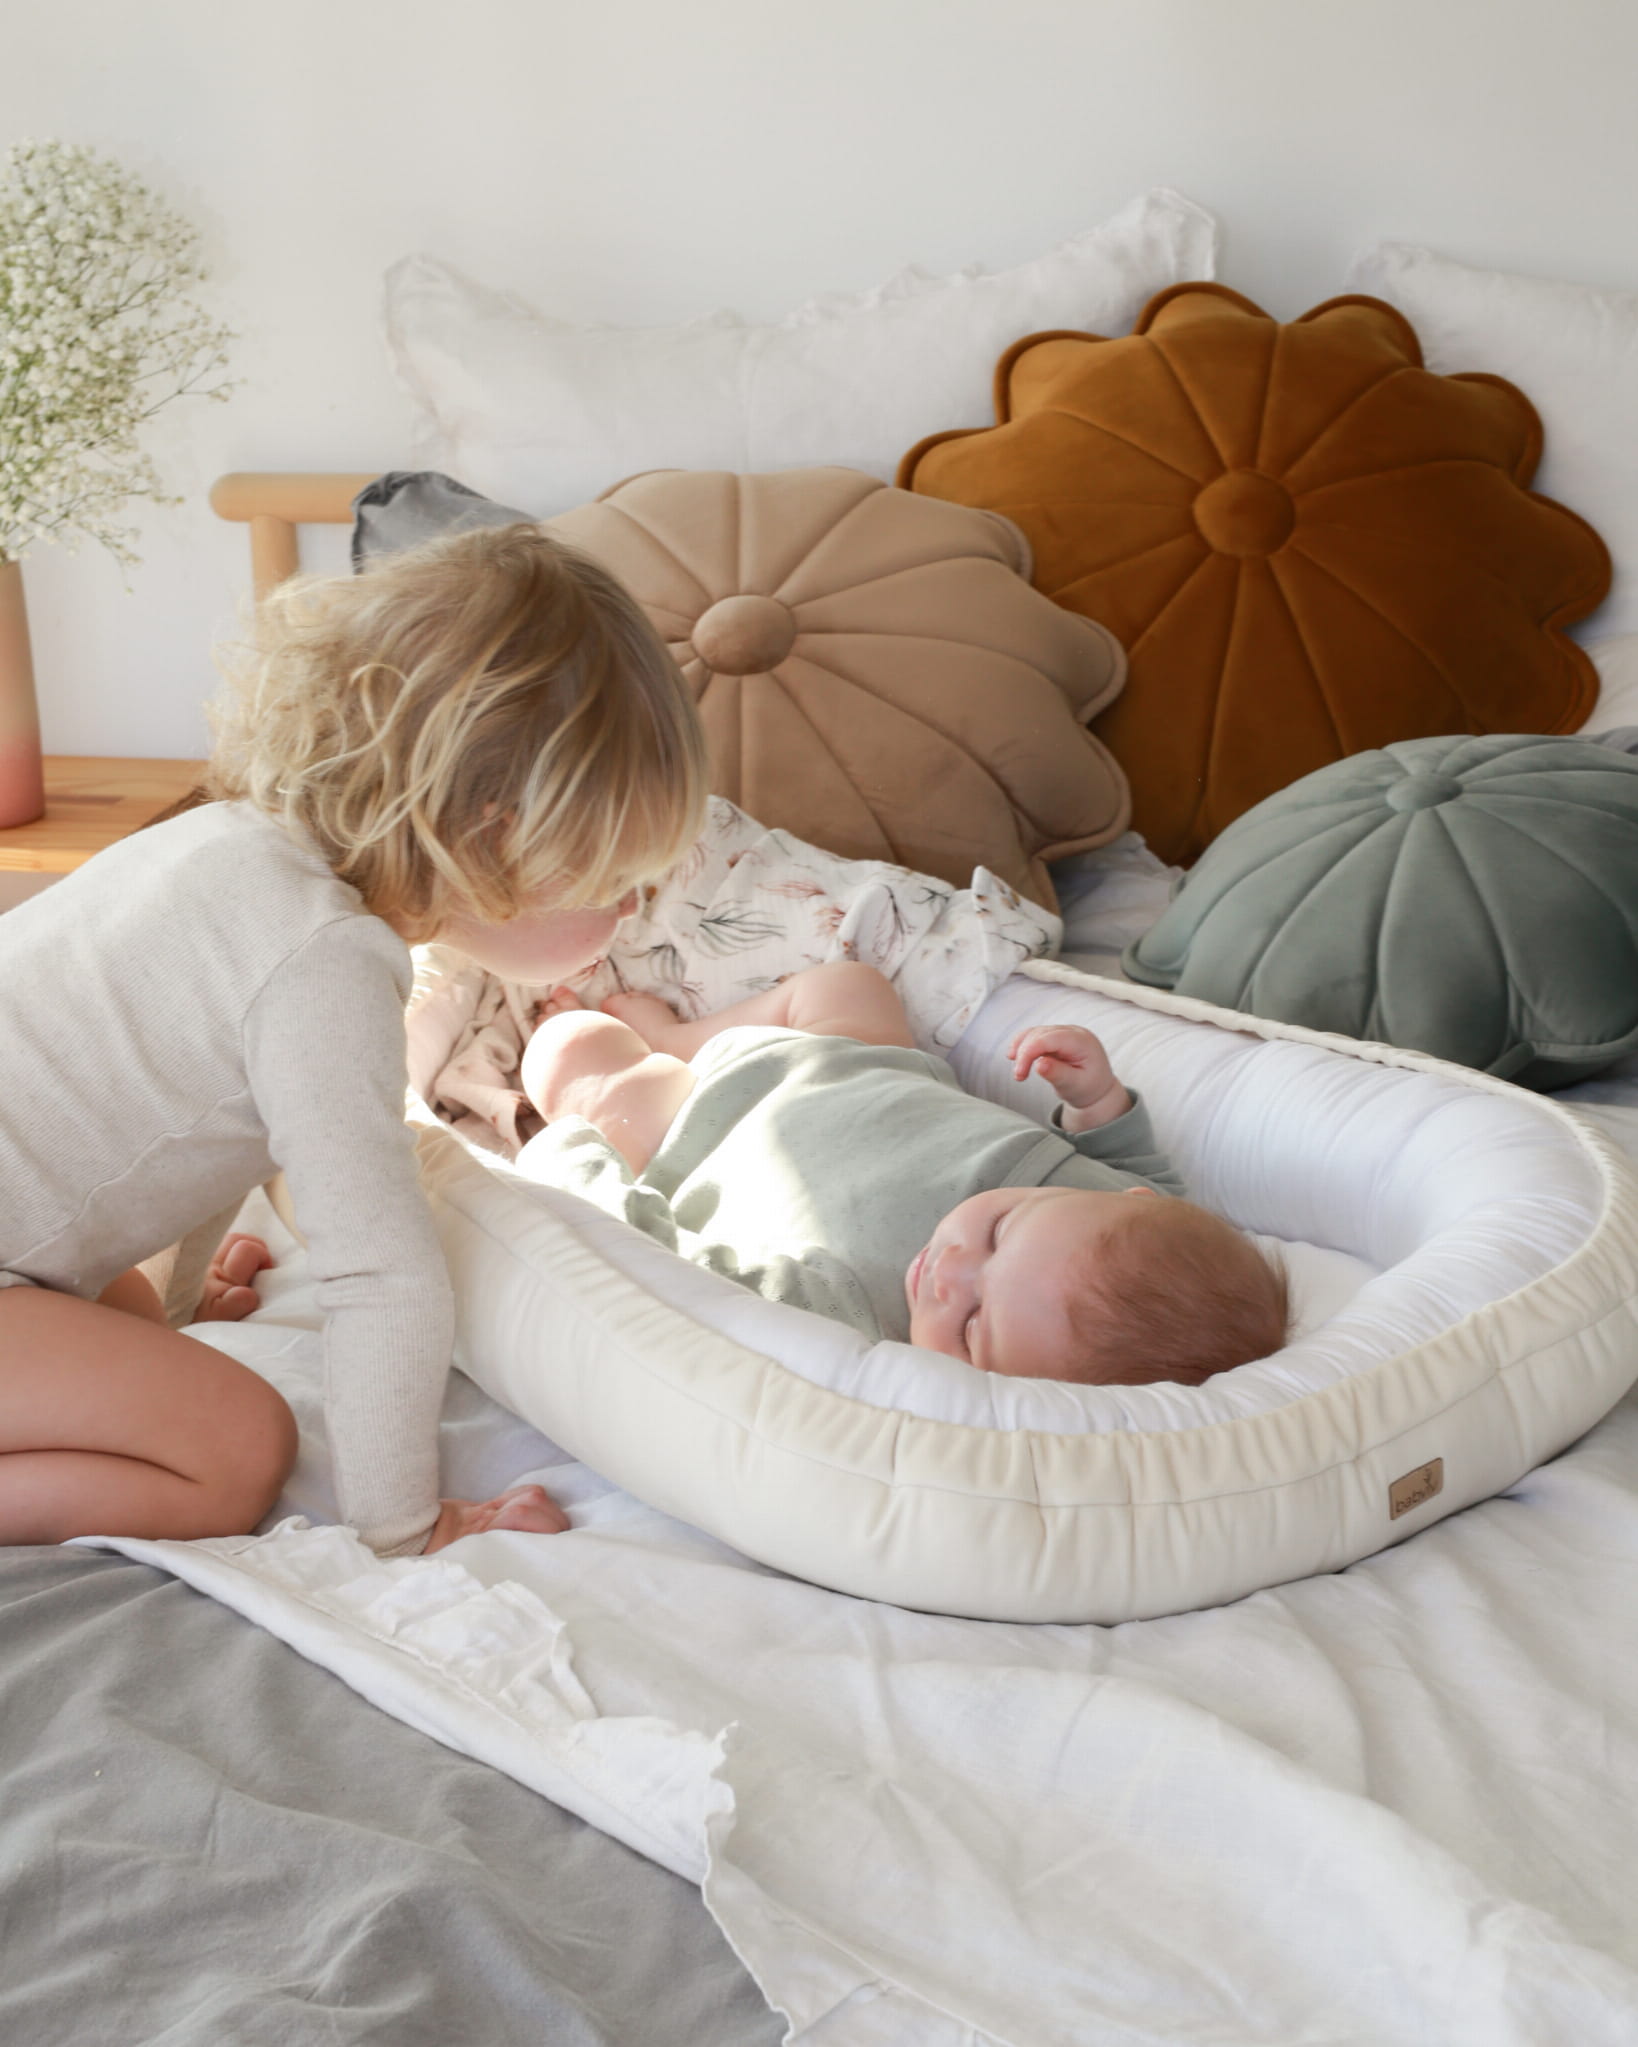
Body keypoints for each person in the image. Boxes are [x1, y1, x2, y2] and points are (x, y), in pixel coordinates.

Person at [0, 524, 708, 1553]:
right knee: (237, 1449)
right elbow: (380, 1275)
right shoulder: (327, 960)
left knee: (136, 1334)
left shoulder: (222, 842)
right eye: (616, 879)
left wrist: (178, 1308)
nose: (633, 911)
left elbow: (187, 1126)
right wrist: (401, 1525)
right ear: (494, 835)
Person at [516, 962, 1289, 1385]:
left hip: (699, 1131)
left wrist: (574, 1164)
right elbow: (1145, 1175)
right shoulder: (1108, 1213)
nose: (949, 1271)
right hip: (856, 1061)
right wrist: (1097, 1100)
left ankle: (639, 1057)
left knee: (569, 1051)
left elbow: (682, 1268)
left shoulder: (853, 1320)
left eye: (973, 1325)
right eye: (997, 1230)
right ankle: (678, 1034)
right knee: (849, 982)